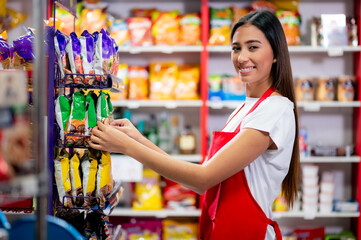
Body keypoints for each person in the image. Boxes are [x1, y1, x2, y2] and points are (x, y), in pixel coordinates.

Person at [89, 10, 300, 240]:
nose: (241, 57)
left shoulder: (276, 109)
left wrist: (127, 148)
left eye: (253, 47)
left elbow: (203, 178)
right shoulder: (244, 110)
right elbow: (197, 179)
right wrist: (137, 139)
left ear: (276, 53)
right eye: (236, 48)